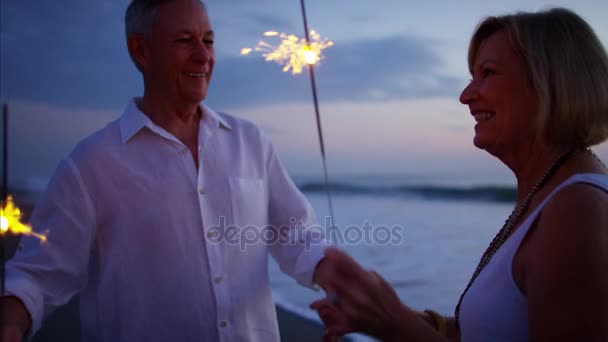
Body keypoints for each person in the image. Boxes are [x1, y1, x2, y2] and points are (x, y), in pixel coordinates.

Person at [0, 1, 333, 341]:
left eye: (209, 40)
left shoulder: (251, 142)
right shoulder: (90, 165)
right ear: (141, 50)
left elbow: (298, 235)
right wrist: (11, 321)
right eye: (185, 40)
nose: (203, 56)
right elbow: (38, 274)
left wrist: (338, 280)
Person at [311, 7, 608, 342]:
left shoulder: (576, 209)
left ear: (550, 83)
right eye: (472, 77)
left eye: (488, 73)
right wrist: (401, 315)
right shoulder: (549, 193)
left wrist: (393, 323)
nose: (466, 96)